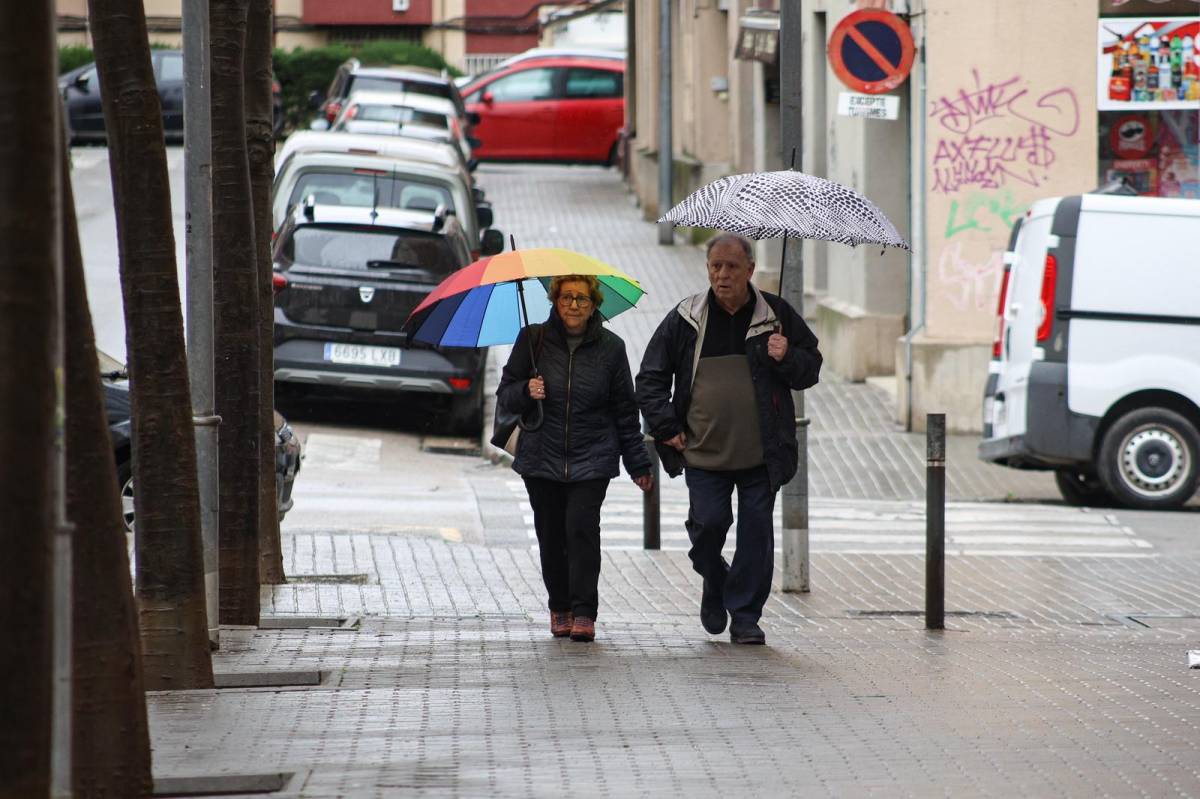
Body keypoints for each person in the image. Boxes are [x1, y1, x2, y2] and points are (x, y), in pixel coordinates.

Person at [636, 233, 822, 645]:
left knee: (756, 535)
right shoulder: (687, 317)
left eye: (732, 267)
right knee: (707, 527)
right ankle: (714, 578)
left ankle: (745, 617)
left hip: (761, 454)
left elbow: (810, 368)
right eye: (715, 266)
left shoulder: (776, 316)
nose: (722, 275)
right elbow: (649, 378)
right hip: (702, 452)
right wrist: (667, 428)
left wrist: (786, 354)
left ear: (750, 271)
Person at [497, 274, 653, 642]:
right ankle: (560, 607)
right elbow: (505, 393)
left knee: (581, 530)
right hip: (541, 454)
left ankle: (584, 612)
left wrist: (639, 464)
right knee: (551, 535)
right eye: (567, 298)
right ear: (554, 300)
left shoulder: (611, 348)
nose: (574, 306)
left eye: (582, 299)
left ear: (595, 304)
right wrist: (526, 389)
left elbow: (624, 410)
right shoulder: (532, 341)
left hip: (592, 455)